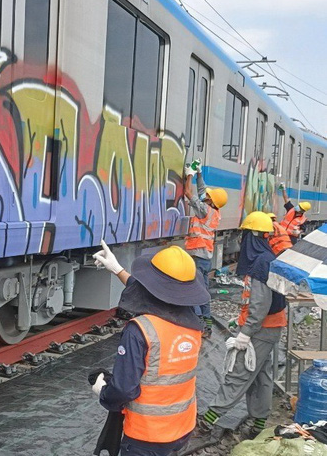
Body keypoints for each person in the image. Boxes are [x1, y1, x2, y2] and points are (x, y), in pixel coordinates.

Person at [92, 242, 208, 456]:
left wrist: (104, 393)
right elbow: (160, 297)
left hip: (146, 436)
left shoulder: (141, 331)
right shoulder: (193, 324)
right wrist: (118, 270)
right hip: (181, 428)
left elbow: (124, 389)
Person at [198, 211, 286, 439]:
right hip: (269, 328)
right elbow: (256, 302)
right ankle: (259, 422)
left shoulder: (260, 264)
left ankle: (209, 419)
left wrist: (245, 333)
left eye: (244, 235)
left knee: (239, 373)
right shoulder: (268, 258)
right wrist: (239, 320)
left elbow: (259, 305)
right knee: (261, 376)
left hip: (261, 330)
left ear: (251, 236)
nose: (241, 240)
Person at [183, 161, 228, 338]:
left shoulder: (203, 210)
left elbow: (188, 193)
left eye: (209, 197)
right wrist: (200, 174)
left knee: (195, 292)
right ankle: (206, 326)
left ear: (211, 201)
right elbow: (203, 192)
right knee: (203, 292)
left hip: (197, 256)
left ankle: (199, 325)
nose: (206, 196)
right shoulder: (213, 211)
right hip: (205, 257)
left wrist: (189, 175)